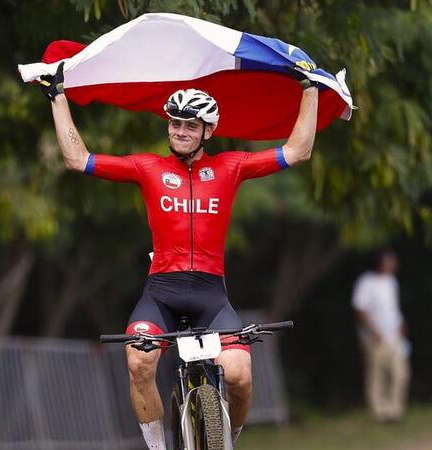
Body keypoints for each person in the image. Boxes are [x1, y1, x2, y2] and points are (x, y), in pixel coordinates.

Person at [38, 62, 319, 449]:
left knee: (239, 375)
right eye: (174, 123)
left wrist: (309, 89)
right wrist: (58, 97)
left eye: (189, 125)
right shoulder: (147, 167)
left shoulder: (230, 167)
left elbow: (297, 150)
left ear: (208, 131)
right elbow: (77, 159)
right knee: (138, 363)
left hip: (211, 296)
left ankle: (225, 440)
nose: (179, 132)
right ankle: (157, 447)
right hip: (161, 295)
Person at [352, 249, 410, 422]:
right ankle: (379, 411)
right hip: (375, 337)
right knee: (377, 374)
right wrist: (372, 331)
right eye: (390, 261)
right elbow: (359, 309)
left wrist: (401, 324)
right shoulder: (367, 282)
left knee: (400, 373)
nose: (393, 265)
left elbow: (393, 309)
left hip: (394, 336)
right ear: (380, 262)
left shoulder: (392, 282)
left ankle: (395, 410)